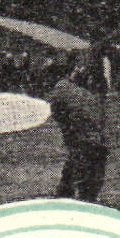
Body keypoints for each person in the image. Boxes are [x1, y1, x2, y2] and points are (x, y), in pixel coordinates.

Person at [47, 56, 108, 202]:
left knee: (77, 164)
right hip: (88, 138)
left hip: (82, 138)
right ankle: (77, 196)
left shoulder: (64, 89)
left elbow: (59, 114)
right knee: (87, 170)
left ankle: (66, 194)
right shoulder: (68, 89)